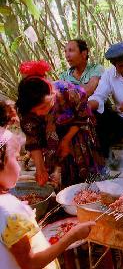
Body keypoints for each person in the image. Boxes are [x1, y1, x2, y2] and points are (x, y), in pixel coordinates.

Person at [0, 127, 95, 269]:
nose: (19, 167)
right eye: (16, 159)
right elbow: (30, 265)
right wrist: (72, 236)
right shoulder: (9, 209)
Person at [16, 60, 105, 188]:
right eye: (36, 111)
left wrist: (66, 140)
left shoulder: (70, 91)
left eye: (44, 106)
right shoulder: (25, 108)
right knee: (61, 183)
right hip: (51, 145)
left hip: (79, 138)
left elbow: (83, 117)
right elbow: (33, 139)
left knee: (90, 183)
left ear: (52, 93)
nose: (41, 114)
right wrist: (40, 168)